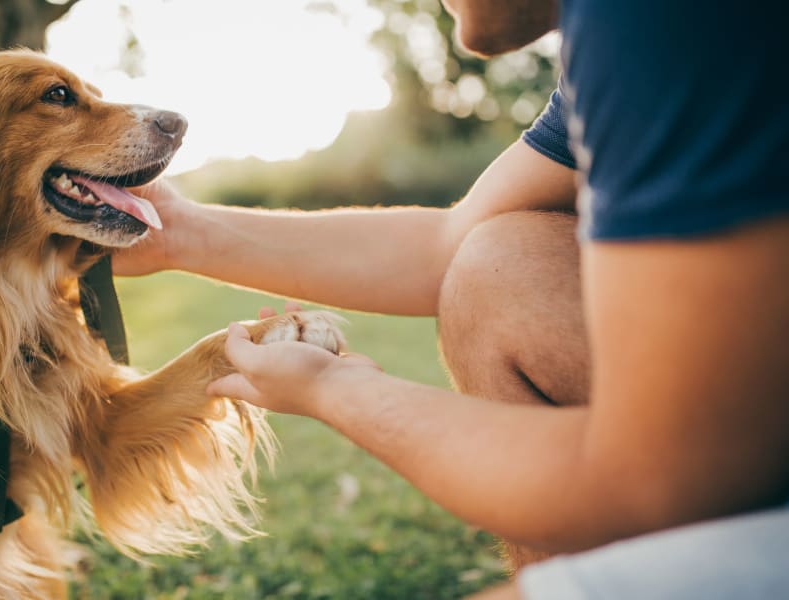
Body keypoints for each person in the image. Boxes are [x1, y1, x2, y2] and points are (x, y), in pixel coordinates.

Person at [113, 0, 789, 597]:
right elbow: (450, 242)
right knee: (501, 265)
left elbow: (653, 475)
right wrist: (180, 234)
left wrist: (336, 390)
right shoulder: (616, 40)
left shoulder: (665, 17)